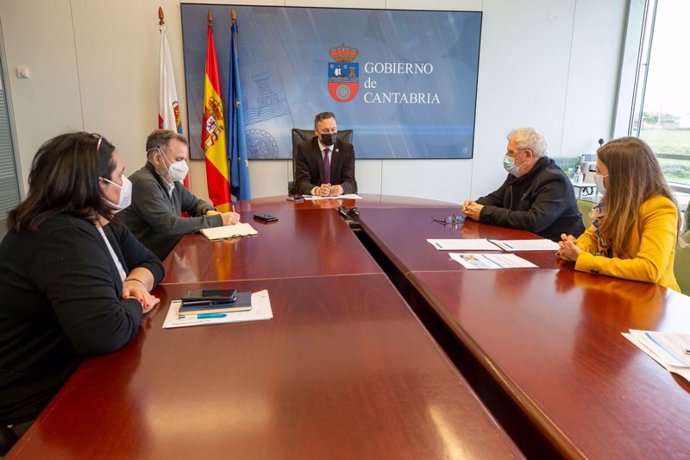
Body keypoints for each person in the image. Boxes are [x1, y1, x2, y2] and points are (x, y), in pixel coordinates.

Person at [0, 132, 164, 438]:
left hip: (76, 376)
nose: (125, 183)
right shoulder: (61, 234)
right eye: (120, 175)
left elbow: (152, 263)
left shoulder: (101, 221)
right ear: (97, 183)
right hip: (36, 406)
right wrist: (134, 300)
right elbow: (106, 333)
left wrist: (135, 281)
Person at [557, 137, 681, 291]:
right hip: (618, 288)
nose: (596, 176)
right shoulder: (613, 202)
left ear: (621, 176)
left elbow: (649, 269)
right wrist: (574, 248)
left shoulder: (660, 208)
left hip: (652, 298)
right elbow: (592, 236)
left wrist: (583, 259)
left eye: (599, 171)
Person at [120, 129, 240, 260]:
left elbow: (195, 204)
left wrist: (207, 211)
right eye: (178, 159)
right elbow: (170, 225)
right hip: (146, 263)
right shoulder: (144, 183)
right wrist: (218, 220)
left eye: (184, 160)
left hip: (168, 255)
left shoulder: (171, 181)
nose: (183, 165)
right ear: (157, 158)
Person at [463, 128, 584, 241]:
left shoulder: (554, 180)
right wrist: (475, 205)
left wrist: (484, 213)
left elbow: (534, 221)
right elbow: (497, 198)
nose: (506, 156)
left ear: (527, 155)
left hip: (555, 250)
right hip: (522, 241)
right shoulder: (518, 173)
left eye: (511, 152)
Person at [293, 112, 357, 196]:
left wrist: (342, 188)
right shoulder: (304, 149)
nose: (330, 133)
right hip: (314, 202)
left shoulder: (347, 149)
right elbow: (301, 182)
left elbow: (351, 182)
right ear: (316, 132)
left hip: (339, 201)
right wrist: (317, 190)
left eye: (333, 129)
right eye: (326, 130)